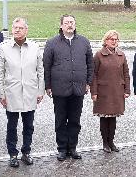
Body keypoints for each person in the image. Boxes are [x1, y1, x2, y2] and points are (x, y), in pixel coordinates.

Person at [43, 14, 93, 161]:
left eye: (72, 22)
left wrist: (88, 82)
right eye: (66, 23)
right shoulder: (52, 43)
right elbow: (46, 66)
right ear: (61, 26)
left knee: (75, 120)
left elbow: (90, 64)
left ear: (75, 24)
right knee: (60, 120)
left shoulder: (84, 42)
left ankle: (73, 147)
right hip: (59, 89)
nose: (69, 25)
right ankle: (62, 149)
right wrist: (48, 86)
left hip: (78, 88)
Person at [0, 18, 44, 167]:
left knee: (28, 126)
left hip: (30, 93)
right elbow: (0, 73)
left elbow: (40, 71)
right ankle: (13, 154)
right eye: (14, 27)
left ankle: (26, 152)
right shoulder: (4, 48)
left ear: (26, 30)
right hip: (12, 93)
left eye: (20, 28)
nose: (16, 30)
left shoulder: (35, 47)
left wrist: (40, 90)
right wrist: (1, 94)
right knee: (12, 126)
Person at [90, 30, 130, 153]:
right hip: (103, 92)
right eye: (111, 39)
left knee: (113, 118)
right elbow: (93, 75)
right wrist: (94, 92)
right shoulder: (98, 55)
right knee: (104, 118)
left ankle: (111, 142)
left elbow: (126, 74)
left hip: (117, 91)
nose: (114, 41)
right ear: (105, 40)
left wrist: (127, 89)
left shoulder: (121, 55)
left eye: (116, 39)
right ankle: (105, 143)